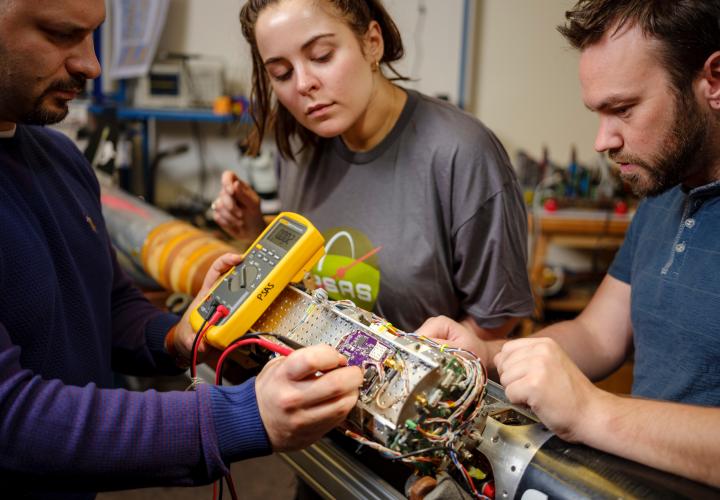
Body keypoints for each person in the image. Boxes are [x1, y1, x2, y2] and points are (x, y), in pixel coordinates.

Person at [0, 0, 363, 497]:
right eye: (62, 34)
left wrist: (176, 337)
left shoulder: (58, 155)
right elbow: (13, 418)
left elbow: (109, 303)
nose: (91, 64)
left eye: (93, 36)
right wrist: (244, 416)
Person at [418, 0, 720, 488]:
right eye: (598, 113)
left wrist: (592, 412)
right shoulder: (664, 193)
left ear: (714, 79)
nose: (602, 140)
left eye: (622, 109)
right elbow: (598, 336)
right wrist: (488, 355)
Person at [212, 0, 533, 339]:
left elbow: (495, 320)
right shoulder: (297, 146)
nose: (303, 83)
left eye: (321, 56)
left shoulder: (463, 153)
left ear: (372, 43)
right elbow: (304, 283)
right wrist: (255, 232)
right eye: (282, 73)